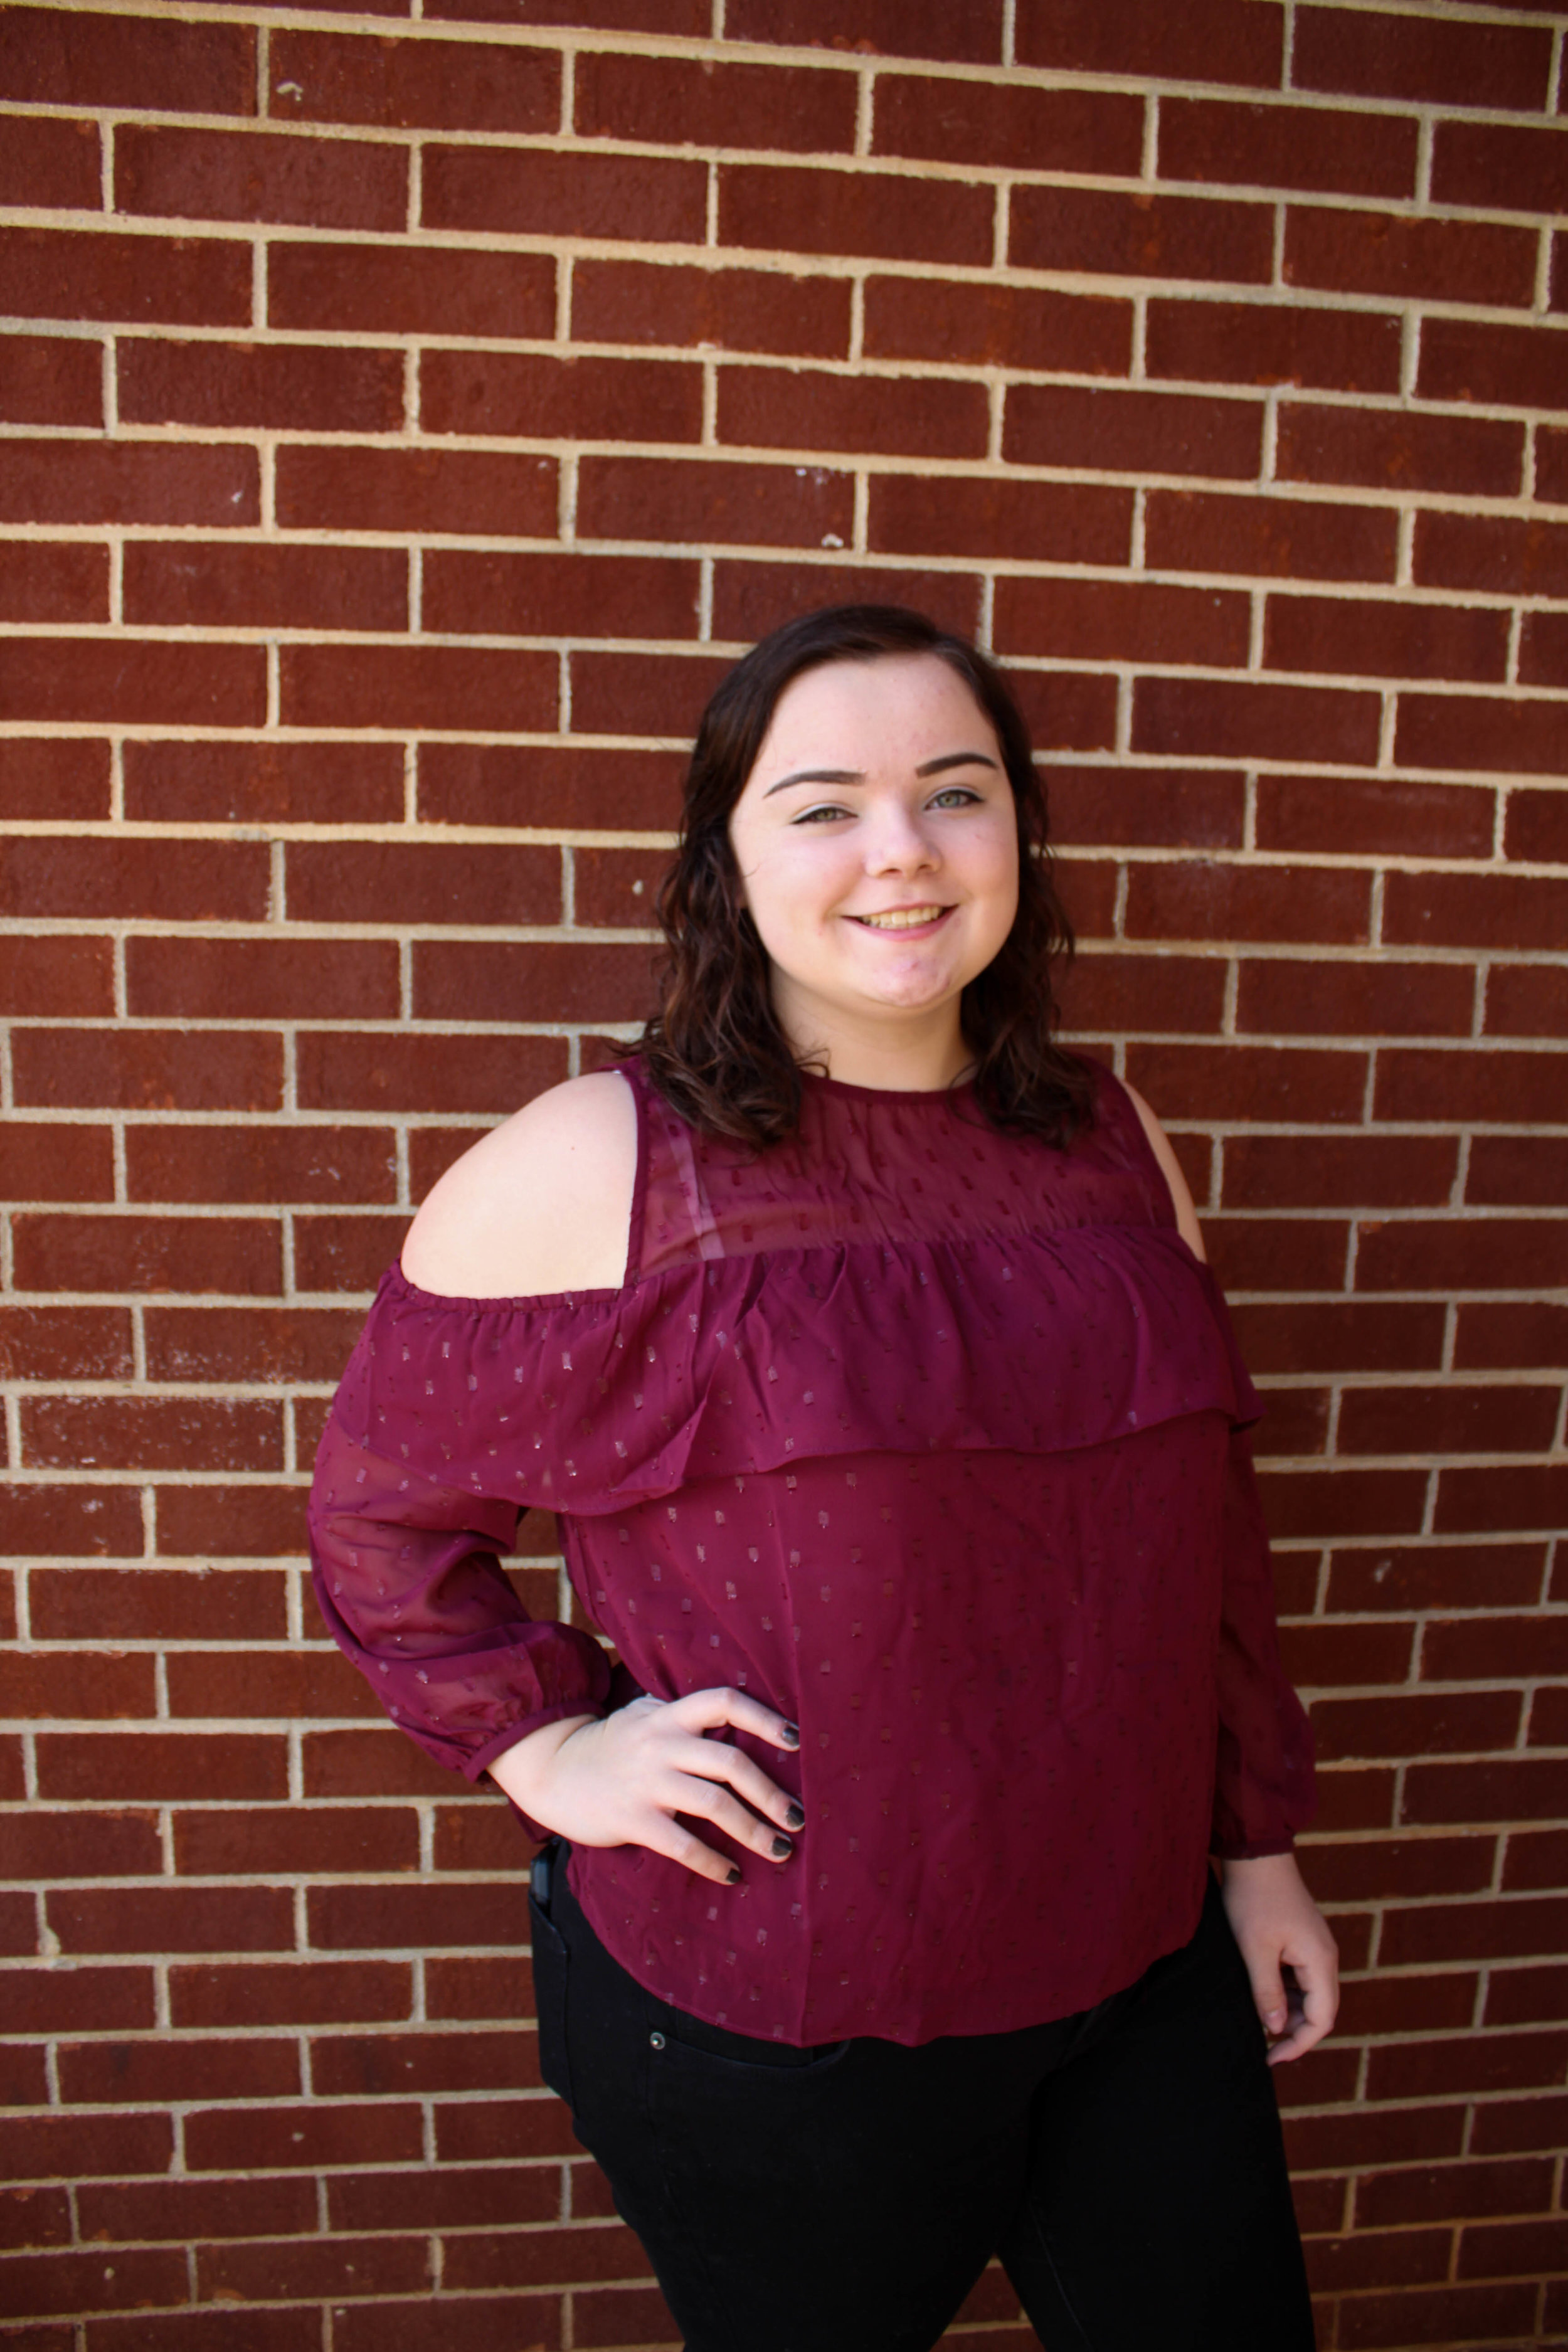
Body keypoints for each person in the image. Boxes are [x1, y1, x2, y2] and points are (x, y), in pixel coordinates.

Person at [309, 604, 1337, 2352]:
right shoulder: (599, 1165)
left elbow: (1200, 1546)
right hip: (788, 2018)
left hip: (1140, 1963)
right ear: (723, 858)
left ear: (1016, 833)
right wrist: (547, 1743)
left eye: (955, 793)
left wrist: (1254, 1854)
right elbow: (384, 1522)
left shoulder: (1112, 1142)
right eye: (821, 804)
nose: (900, 854)